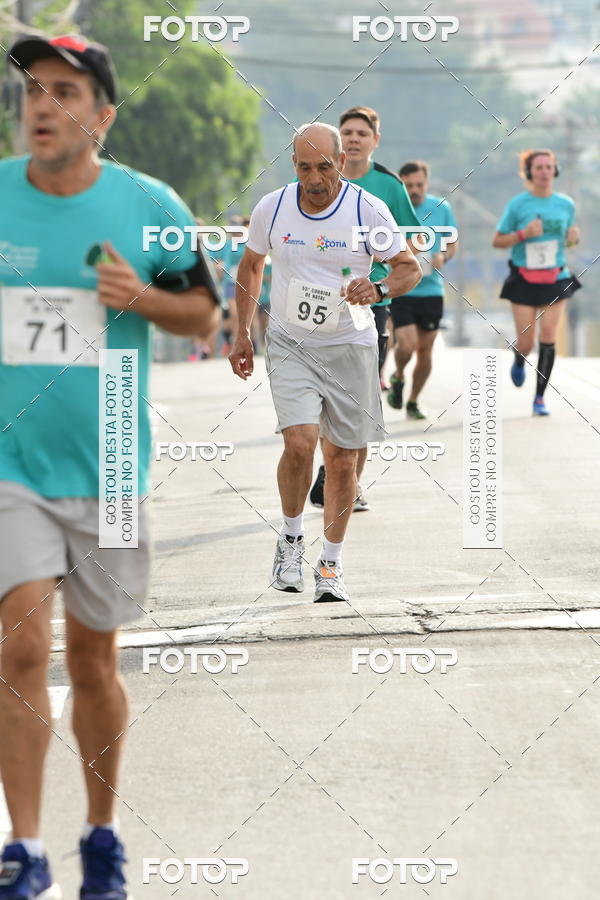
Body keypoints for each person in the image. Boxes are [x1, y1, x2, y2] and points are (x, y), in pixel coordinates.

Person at [0, 34, 220, 900]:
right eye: (32, 90)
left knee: (93, 660)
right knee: (21, 645)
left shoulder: (149, 204)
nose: (42, 106)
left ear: (103, 117)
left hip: (113, 463)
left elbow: (204, 314)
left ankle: (101, 835)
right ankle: (23, 850)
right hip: (11, 464)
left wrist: (142, 298)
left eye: (64, 91)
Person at [228, 123, 420, 602]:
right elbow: (251, 265)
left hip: (351, 345)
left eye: (324, 167)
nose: (315, 179)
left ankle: (330, 563)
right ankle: (291, 541)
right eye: (304, 168)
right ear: (293, 165)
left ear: (342, 162)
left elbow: (409, 268)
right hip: (291, 343)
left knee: (341, 458)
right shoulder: (272, 207)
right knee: (299, 443)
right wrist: (242, 332)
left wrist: (378, 288)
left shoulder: (366, 209)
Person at [309, 106, 422, 510]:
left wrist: (380, 266)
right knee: (324, 395)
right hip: (320, 302)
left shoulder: (388, 186)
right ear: (338, 143)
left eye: (361, 133)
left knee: (358, 397)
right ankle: (335, 468)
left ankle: (346, 480)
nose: (354, 138)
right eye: (347, 132)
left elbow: (411, 239)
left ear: (375, 140)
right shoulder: (316, 178)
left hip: (369, 303)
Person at [492, 148, 580, 415]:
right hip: (524, 279)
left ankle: (539, 398)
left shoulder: (566, 204)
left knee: (549, 336)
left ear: (555, 170)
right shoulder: (518, 204)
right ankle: (519, 358)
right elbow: (498, 241)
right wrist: (524, 234)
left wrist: (573, 239)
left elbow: (568, 241)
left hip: (556, 277)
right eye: (538, 167)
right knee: (527, 343)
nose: (544, 172)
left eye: (548, 167)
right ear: (529, 172)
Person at [388, 160, 458, 419]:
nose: (415, 190)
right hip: (402, 288)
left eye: (419, 185)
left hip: (431, 291)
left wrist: (443, 255)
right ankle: (398, 375)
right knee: (407, 344)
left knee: (425, 351)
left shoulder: (441, 208)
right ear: (401, 186)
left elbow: (452, 243)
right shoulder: (392, 209)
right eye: (409, 186)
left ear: (427, 183)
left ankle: (413, 401)